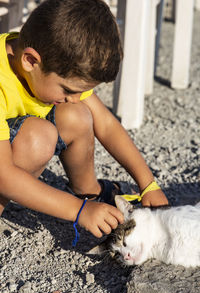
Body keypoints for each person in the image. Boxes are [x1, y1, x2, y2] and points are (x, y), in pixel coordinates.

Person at [0, 0, 168, 239]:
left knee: (77, 115)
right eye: (68, 90)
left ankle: (90, 193)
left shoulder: (50, 56)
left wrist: (148, 184)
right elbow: (3, 174)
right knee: (39, 137)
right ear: (30, 61)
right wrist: (78, 212)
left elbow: (107, 125)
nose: (75, 97)